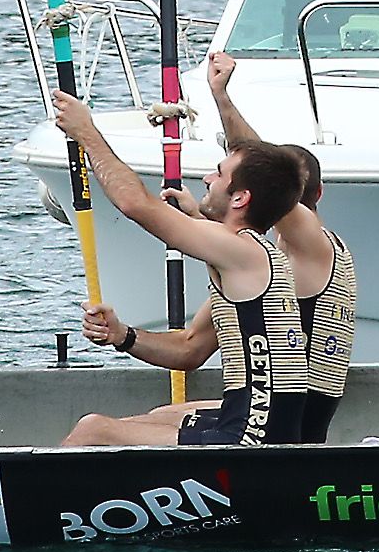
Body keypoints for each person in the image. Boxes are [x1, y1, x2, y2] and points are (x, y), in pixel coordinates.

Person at [56, 100, 310, 446]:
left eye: (218, 174)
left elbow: (136, 205)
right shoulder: (254, 258)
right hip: (261, 424)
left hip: (251, 439)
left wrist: (85, 132)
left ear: (240, 199)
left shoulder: (241, 250)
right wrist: (121, 335)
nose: (207, 178)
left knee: (93, 429)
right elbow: (189, 351)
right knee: (159, 416)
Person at [202, 50, 353, 438]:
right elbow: (190, 348)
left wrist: (221, 98)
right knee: (159, 416)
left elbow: (257, 164)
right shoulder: (267, 261)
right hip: (269, 412)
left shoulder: (314, 245)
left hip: (290, 430)